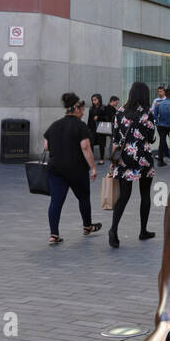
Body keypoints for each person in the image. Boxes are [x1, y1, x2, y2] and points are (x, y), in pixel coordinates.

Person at [42, 92, 100, 245]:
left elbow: (46, 146)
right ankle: (87, 226)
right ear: (76, 109)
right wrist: (93, 167)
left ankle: (54, 234)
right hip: (76, 169)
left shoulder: (55, 125)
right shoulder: (81, 126)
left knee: (56, 201)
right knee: (83, 198)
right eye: (82, 110)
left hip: (55, 169)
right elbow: (86, 147)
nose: (83, 113)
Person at [109, 81, 157, 248]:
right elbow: (151, 137)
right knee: (145, 194)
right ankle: (143, 230)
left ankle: (113, 229)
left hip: (124, 159)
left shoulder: (119, 112)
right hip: (142, 159)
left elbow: (115, 138)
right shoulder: (146, 113)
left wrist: (113, 161)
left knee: (124, 196)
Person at [153, 87, 170, 165]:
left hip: (161, 125)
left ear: (165, 94)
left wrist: (158, 122)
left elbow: (154, 115)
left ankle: (160, 161)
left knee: (162, 142)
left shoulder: (159, 104)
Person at [88, 94, 112, 165]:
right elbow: (89, 119)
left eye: (95, 99)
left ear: (99, 99)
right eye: (93, 100)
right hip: (92, 129)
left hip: (101, 129)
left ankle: (102, 159)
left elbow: (108, 118)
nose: (94, 101)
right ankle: (91, 159)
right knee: (91, 144)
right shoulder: (91, 108)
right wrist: (88, 128)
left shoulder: (104, 107)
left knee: (101, 144)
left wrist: (99, 118)